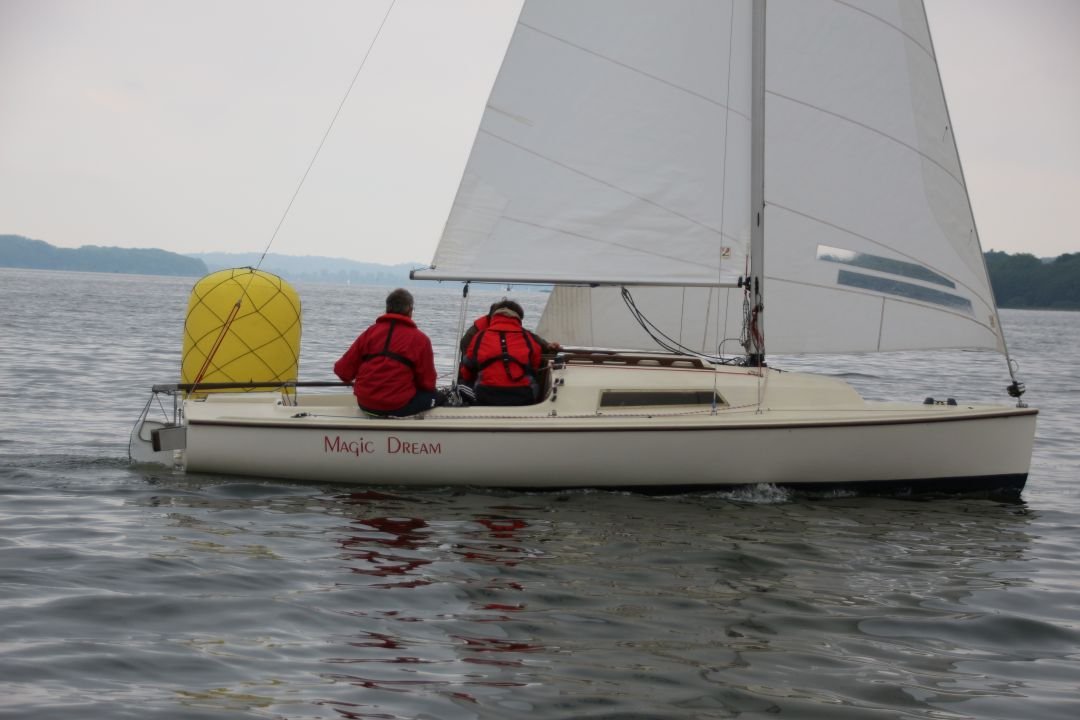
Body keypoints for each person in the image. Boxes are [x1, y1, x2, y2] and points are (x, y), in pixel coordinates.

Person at [334, 288, 439, 417]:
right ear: (410, 310)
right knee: (437, 397)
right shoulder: (421, 340)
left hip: (365, 403)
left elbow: (342, 371)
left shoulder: (370, 333)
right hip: (398, 406)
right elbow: (428, 384)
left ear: (387, 308)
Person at [459, 300, 549, 406]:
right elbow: (534, 367)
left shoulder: (479, 336)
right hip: (523, 396)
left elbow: (467, 370)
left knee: (461, 386)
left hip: (486, 395)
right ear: (518, 318)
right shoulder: (528, 337)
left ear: (494, 316)